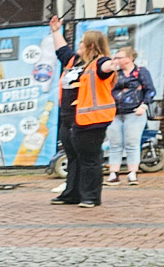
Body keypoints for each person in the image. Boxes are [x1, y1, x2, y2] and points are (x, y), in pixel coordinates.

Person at [49, 15, 130, 208]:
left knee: (89, 159)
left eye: (82, 42)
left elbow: (106, 67)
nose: (78, 45)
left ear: (91, 45)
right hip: (69, 118)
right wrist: (55, 31)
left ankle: (91, 196)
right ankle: (72, 193)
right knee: (73, 156)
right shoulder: (74, 61)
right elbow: (62, 50)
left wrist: (114, 64)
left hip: (90, 119)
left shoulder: (99, 63)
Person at [104, 46, 158, 186]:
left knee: (132, 143)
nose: (116, 60)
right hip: (115, 113)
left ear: (129, 58)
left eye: (119, 57)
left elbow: (150, 90)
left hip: (134, 112)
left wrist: (144, 106)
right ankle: (113, 173)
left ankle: (132, 173)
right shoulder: (115, 74)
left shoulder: (140, 72)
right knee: (115, 143)